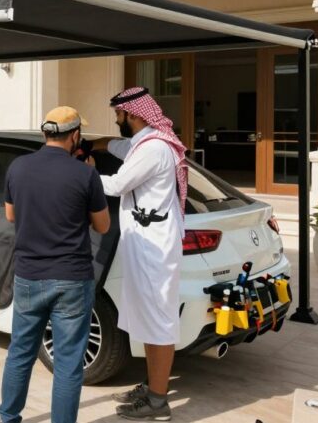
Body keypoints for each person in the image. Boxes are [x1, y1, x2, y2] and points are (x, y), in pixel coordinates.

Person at [0, 107, 111, 423]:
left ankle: (9, 417)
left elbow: (10, 215)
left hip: (29, 275)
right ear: (75, 135)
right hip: (72, 278)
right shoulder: (85, 174)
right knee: (67, 363)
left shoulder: (18, 167)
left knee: (20, 352)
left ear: (46, 134)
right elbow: (102, 226)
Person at [86, 87, 188, 421]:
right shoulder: (147, 142)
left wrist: (82, 172)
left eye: (119, 115)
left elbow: (116, 185)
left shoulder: (154, 148)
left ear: (134, 114)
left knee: (157, 321)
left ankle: (158, 401)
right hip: (147, 242)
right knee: (146, 318)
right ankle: (152, 385)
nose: (117, 121)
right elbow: (120, 146)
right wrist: (96, 144)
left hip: (153, 246)